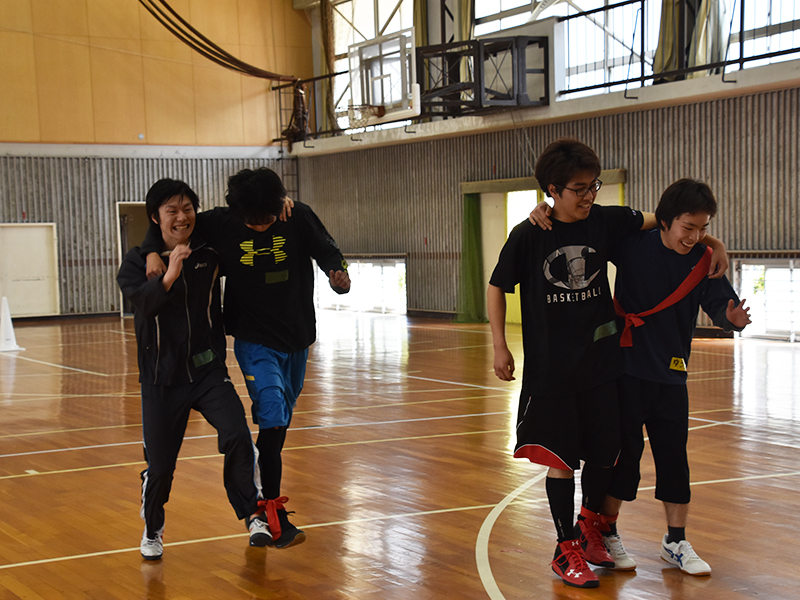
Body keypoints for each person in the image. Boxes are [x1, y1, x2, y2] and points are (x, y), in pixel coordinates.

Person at [489, 139, 728, 589]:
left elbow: (665, 218)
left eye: (593, 186)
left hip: (603, 362)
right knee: (562, 460)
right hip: (552, 367)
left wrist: (711, 240)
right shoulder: (529, 233)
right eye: (578, 189)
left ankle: (589, 530)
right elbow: (497, 286)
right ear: (552, 190)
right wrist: (499, 346)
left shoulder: (606, 220)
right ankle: (564, 549)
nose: (588, 196)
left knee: (606, 455)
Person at [142, 167, 350, 549]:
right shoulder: (221, 224)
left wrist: (338, 274)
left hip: (297, 337)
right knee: (271, 412)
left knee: (279, 423)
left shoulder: (295, 215)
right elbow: (174, 227)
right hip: (254, 340)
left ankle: (268, 504)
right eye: (251, 222)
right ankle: (271, 511)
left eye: (266, 219)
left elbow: (327, 250)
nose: (259, 227)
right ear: (237, 213)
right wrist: (152, 251)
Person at [597, 178, 750, 576]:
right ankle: (607, 533)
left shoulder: (703, 259)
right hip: (625, 370)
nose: (695, 236)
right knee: (624, 458)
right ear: (665, 221)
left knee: (674, 460)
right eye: (688, 227)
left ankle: (675, 542)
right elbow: (589, 227)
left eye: (703, 228)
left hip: (671, 375)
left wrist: (732, 319)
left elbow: (722, 306)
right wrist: (544, 211)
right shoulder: (632, 245)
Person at [117, 178, 270, 561]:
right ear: (156, 217)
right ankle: (152, 529)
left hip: (207, 370)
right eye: (172, 210)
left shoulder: (208, 250)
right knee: (160, 467)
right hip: (161, 377)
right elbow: (145, 305)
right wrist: (167, 270)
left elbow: (243, 215)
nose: (182, 217)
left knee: (237, 434)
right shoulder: (136, 262)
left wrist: (278, 201)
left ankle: (253, 515)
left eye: (187, 208)